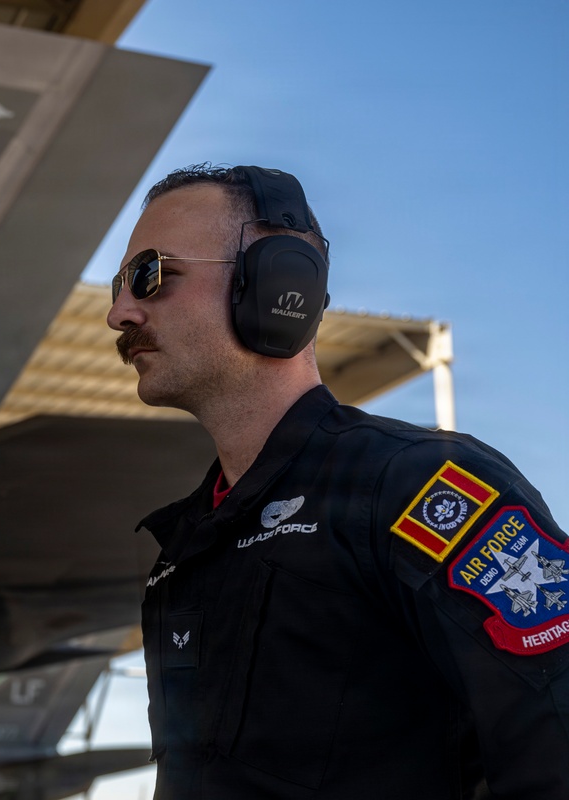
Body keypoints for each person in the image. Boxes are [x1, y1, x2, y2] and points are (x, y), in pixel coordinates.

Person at [106, 164, 569, 799]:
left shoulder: (420, 485)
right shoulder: (183, 551)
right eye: (119, 284)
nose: (119, 312)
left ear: (275, 284)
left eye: (149, 274)